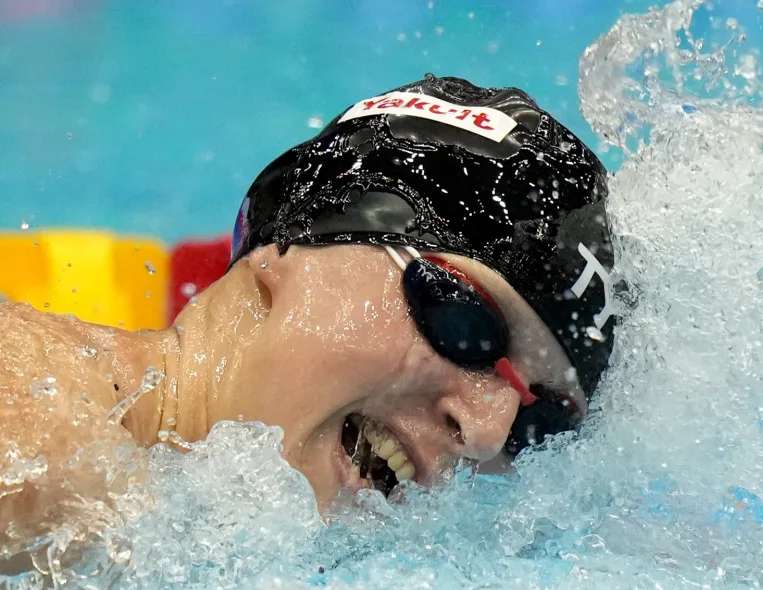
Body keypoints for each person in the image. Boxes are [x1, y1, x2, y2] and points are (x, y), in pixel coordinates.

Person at [0, 75, 616, 545]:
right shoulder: (37, 444)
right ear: (283, 250)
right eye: (466, 324)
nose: (485, 433)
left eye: (538, 427)